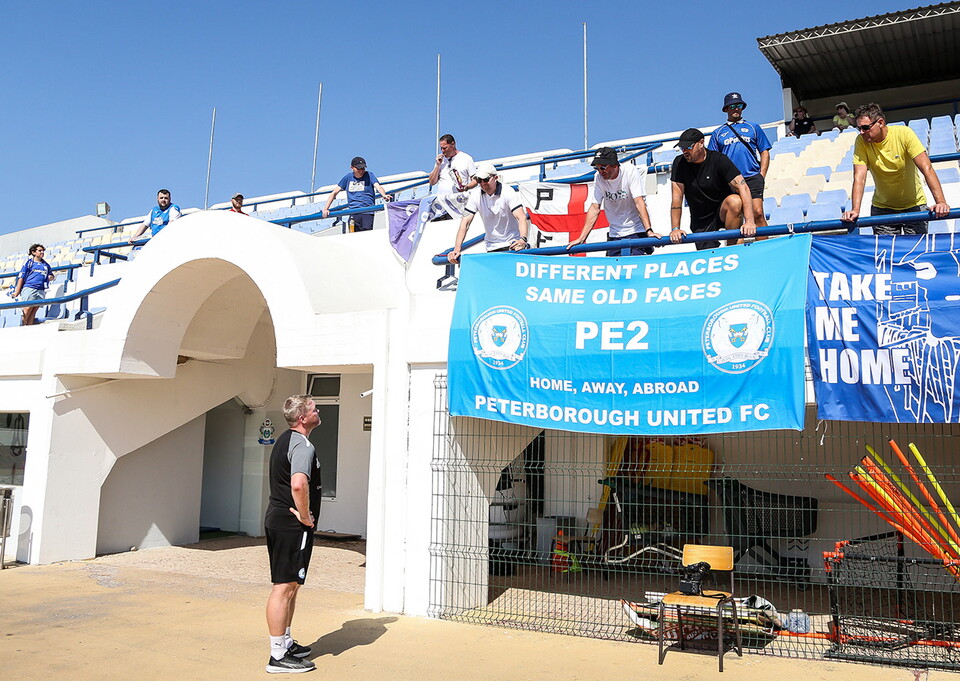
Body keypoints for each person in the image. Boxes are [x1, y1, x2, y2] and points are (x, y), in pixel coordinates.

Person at [264, 395, 323, 674]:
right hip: (290, 525)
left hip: (281, 520)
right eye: (314, 409)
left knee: (292, 585)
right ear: (303, 418)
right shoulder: (302, 445)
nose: (318, 411)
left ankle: (285, 643)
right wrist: (304, 514)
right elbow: (298, 485)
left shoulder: (286, 440)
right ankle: (277, 656)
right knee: (284, 586)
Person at [840, 102, 950, 235]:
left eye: (865, 127)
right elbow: (859, 177)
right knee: (887, 255)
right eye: (859, 129)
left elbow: (926, 168)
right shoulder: (861, 141)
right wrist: (855, 209)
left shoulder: (904, 133)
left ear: (880, 122)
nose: (862, 132)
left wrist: (941, 202)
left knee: (915, 254)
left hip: (914, 206)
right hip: (882, 209)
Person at [668, 128, 757, 250]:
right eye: (682, 148)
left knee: (735, 201)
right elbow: (676, 199)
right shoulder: (679, 163)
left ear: (701, 143)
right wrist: (675, 229)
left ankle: (733, 248)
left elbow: (743, 187)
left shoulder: (719, 159)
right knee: (708, 255)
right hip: (701, 220)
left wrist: (749, 221)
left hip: (723, 212)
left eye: (688, 147)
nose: (685, 151)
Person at [567, 147, 661, 256]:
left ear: (615, 165)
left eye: (603, 168)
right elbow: (594, 208)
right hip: (615, 234)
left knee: (633, 268)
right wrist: (581, 238)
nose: (600, 172)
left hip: (637, 231)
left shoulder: (629, 171)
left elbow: (639, 202)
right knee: (613, 270)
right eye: (597, 168)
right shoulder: (598, 177)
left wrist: (649, 231)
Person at [707, 92, 771, 237]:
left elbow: (765, 152)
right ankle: (736, 249)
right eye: (732, 106)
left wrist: (761, 175)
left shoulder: (753, 127)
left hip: (752, 176)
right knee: (735, 216)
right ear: (726, 109)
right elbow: (713, 159)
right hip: (730, 181)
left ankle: (765, 247)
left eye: (739, 105)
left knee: (758, 213)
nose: (736, 109)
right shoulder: (718, 133)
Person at [447, 164, 529, 262]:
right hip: (491, 247)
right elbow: (465, 223)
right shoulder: (475, 195)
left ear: (496, 178)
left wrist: (523, 239)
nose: (482, 183)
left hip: (514, 245)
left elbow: (521, 218)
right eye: (478, 180)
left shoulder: (508, 191)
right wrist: (456, 249)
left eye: (485, 179)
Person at [321, 157, 392, 232]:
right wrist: (326, 208)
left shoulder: (369, 175)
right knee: (353, 236)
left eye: (363, 168)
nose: (361, 171)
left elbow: (378, 186)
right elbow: (334, 192)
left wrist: (384, 195)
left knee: (366, 235)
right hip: (353, 212)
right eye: (359, 168)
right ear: (352, 168)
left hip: (367, 211)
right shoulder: (347, 177)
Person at [11, 244, 55, 326]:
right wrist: (17, 291)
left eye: (43, 251)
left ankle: (29, 327)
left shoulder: (46, 265)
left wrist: (51, 277)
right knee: (27, 308)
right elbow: (21, 277)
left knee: (34, 310)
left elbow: (51, 275)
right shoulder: (29, 263)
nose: (42, 252)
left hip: (41, 289)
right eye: (40, 250)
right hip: (29, 288)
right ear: (33, 252)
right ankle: (23, 326)